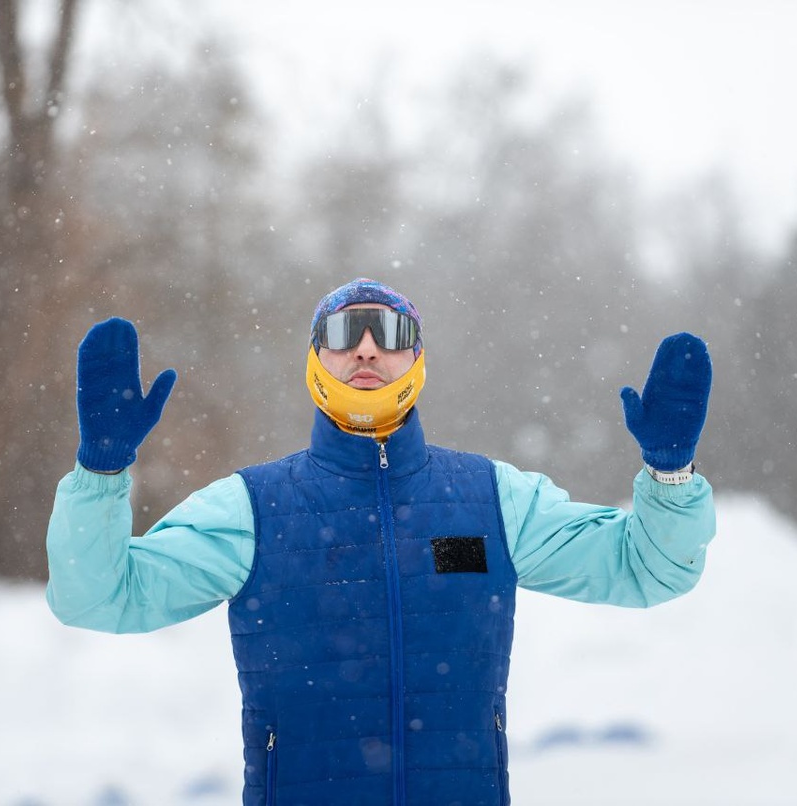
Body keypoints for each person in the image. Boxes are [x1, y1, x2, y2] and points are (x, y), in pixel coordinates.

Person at [47, 278, 715, 806]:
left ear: (415, 358)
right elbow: (100, 596)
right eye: (344, 332)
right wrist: (101, 473)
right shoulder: (253, 508)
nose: (366, 348)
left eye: (389, 332)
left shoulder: (491, 501)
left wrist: (670, 474)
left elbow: (648, 568)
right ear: (317, 357)